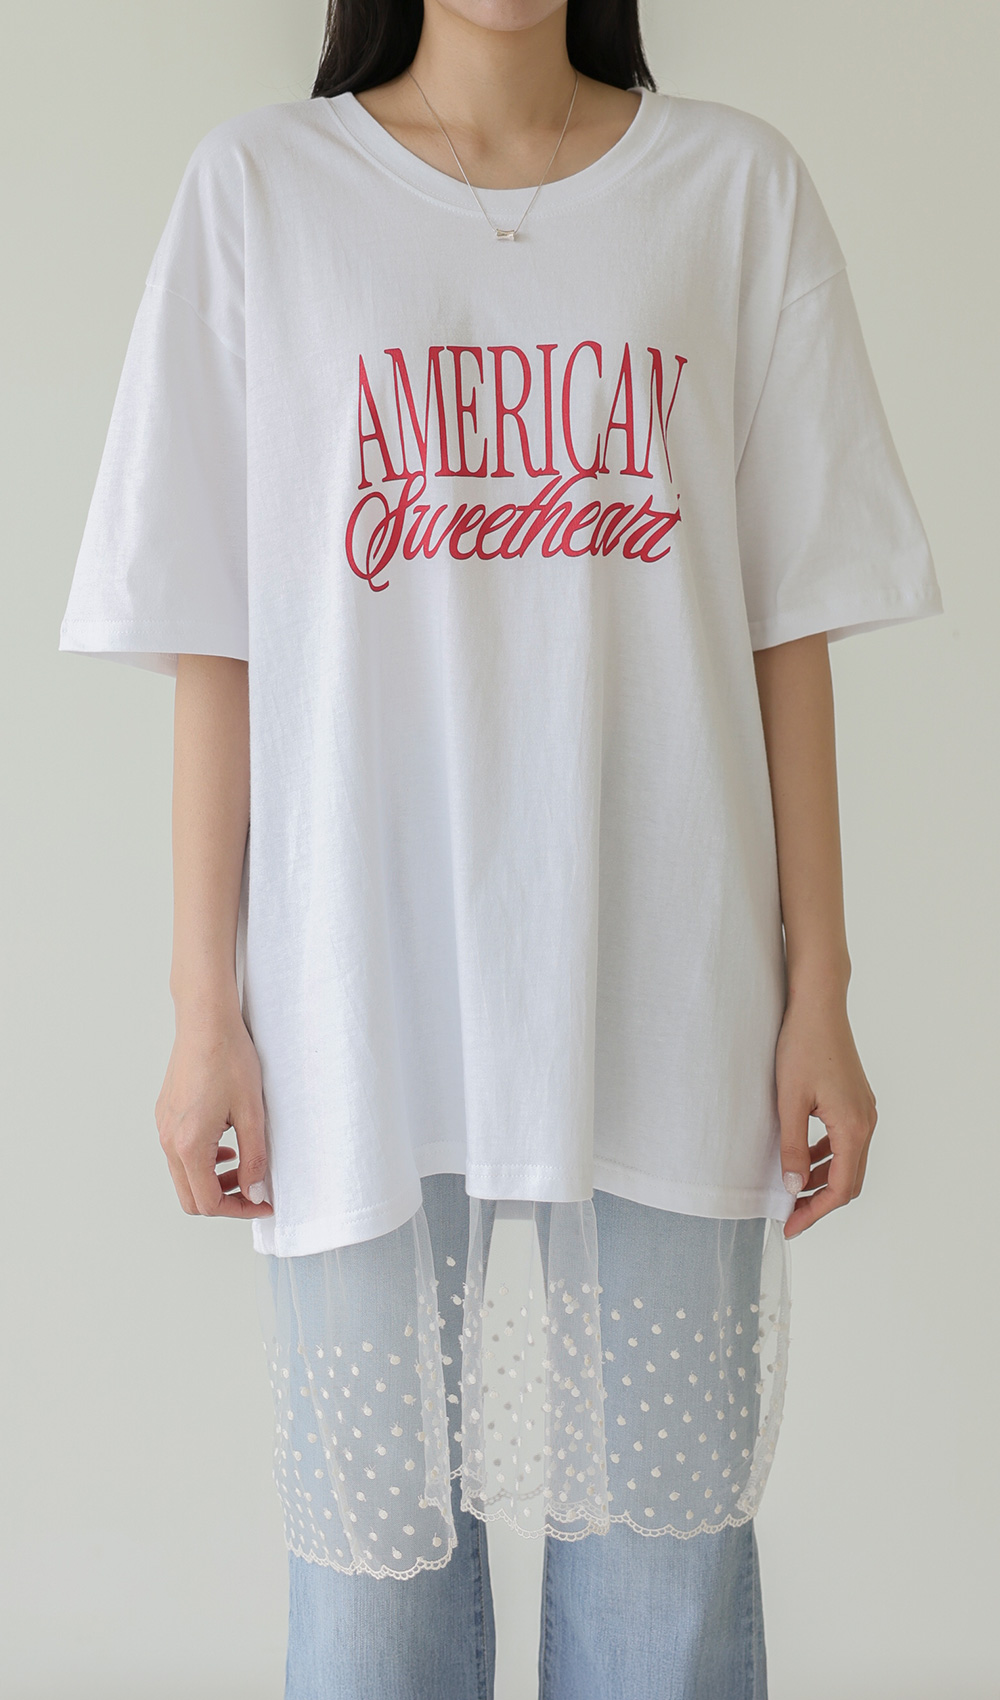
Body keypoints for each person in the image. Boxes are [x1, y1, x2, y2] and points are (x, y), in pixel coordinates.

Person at [57, 1, 943, 1695]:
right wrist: (202, 1009)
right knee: (372, 1611)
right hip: (356, 987)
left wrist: (820, 986)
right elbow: (214, 633)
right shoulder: (261, 192)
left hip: (669, 972)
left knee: (668, 1600)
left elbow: (793, 618)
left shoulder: (733, 192)